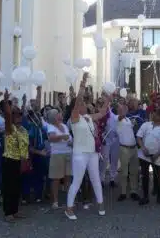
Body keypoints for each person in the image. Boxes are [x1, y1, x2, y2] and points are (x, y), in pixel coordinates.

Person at [65, 73, 109, 220]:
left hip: (92, 153)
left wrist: (108, 98)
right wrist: (82, 84)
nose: (84, 104)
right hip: (80, 154)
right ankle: (69, 208)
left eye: (84, 104)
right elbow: (77, 101)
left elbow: (102, 112)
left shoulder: (89, 117)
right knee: (77, 181)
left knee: (95, 178)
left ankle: (101, 204)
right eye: (82, 104)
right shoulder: (75, 118)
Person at [1, 90, 29, 222]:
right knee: (9, 187)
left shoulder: (22, 130)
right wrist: (6, 101)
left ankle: (15, 210)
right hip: (10, 160)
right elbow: (7, 114)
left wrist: (23, 103)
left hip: (20, 161)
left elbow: (25, 146)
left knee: (17, 187)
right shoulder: (9, 128)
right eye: (15, 114)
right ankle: (8, 213)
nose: (18, 116)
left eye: (19, 114)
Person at [137, 108, 160, 206]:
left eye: (155, 114)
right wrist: (143, 148)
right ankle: (145, 196)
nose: (152, 115)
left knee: (157, 177)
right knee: (145, 176)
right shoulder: (146, 125)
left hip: (156, 156)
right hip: (144, 155)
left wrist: (156, 155)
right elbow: (139, 137)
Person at [47, 108, 73, 209]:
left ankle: (68, 200)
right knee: (56, 178)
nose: (60, 114)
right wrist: (63, 137)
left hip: (68, 152)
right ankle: (55, 201)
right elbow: (51, 138)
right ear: (54, 116)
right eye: (58, 113)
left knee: (68, 177)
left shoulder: (64, 126)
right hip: (57, 154)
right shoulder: (51, 126)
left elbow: (69, 137)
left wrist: (70, 141)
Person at [115, 102, 140, 202]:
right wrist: (123, 113)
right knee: (124, 172)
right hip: (124, 148)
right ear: (118, 110)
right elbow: (120, 117)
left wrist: (133, 123)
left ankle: (134, 191)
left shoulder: (128, 119)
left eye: (124, 108)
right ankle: (123, 192)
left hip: (133, 148)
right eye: (121, 108)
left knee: (134, 171)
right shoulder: (117, 118)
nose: (124, 109)